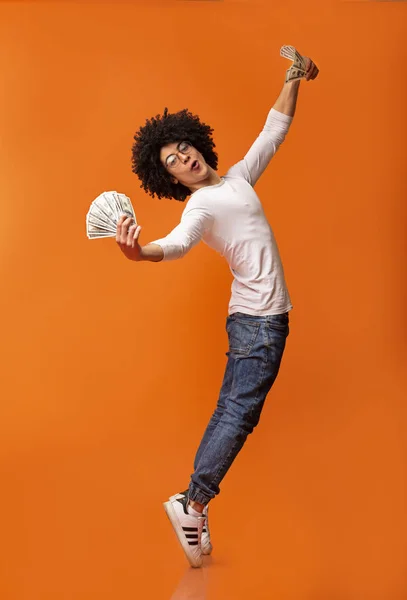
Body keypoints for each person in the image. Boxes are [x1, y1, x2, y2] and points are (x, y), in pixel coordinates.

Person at [116, 54, 319, 568]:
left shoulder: (236, 180)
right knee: (239, 414)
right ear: (171, 180)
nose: (183, 158)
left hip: (252, 320)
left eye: (184, 148)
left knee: (230, 411)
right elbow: (179, 244)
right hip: (260, 323)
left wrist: (293, 79)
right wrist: (139, 252)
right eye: (171, 161)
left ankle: (193, 502)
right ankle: (192, 502)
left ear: (197, 144)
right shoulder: (200, 206)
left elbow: (273, 132)